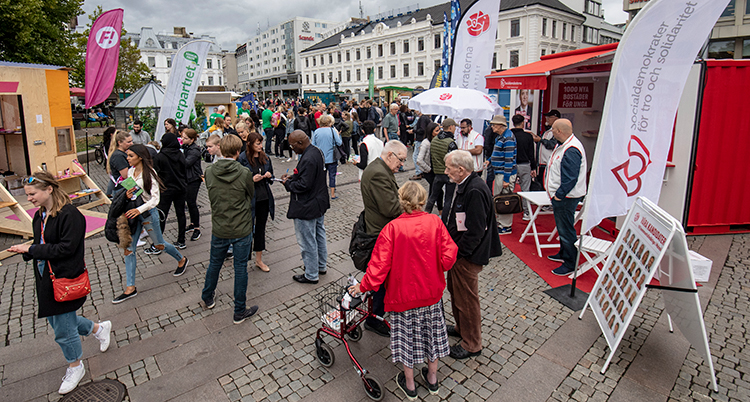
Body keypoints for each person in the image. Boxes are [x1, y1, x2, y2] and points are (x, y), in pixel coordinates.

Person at [349, 181, 458, 399]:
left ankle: (410, 385)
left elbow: (378, 267)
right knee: (432, 337)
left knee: (407, 341)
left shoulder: (392, 229)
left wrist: (361, 287)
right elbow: (448, 257)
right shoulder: (435, 222)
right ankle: (433, 380)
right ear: (423, 201)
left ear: (401, 202)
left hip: (403, 297)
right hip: (431, 294)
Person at [7, 172, 112, 395]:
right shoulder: (40, 214)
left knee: (63, 329)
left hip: (64, 277)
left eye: (32, 194)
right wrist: (28, 251)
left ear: (49, 189)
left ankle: (76, 365)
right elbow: (40, 243)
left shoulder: (70, 215)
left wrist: (32, 250)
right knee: (61, 321)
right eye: (28, 195)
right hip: (47, 275)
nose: (30, 199)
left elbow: (67, 248)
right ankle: (98, 328)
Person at [443, 150, 502, 359]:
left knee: (467, 299)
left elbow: (476, 230)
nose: (446, 172)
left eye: (449, 168)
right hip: (458, 252)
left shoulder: (475, 189)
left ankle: (472, 344)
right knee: (457, 293)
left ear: (461, 169)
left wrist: (460, 254)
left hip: (466, 255)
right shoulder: (466, 184)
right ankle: (462, 329)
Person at [114, 145, 189, 303]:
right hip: (133, 214)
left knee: (159, 244)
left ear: (140, 157)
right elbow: (133, 192)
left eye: (131, 156)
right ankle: (130, 287)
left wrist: (140, 209)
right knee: (129, 249)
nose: (127, 158)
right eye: (127, 155)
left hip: (148, 213)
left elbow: (155, 199)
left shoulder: (150, 173)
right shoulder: (129, 172)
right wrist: (128, 196)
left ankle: (181, 259)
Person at [201, 134, 259, 324]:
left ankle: (207, 296)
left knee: (214, 263)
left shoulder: (209, 172)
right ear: (237, 152)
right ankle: (239, 310)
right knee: (240, 268)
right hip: (241, 226)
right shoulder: (244, 173)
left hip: (220, 225)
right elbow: (250, 195)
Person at [360, 140, 408, 337]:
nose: (402, 165)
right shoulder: (378, 172)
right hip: (380, 232)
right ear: (390, 155)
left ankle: (378, 312)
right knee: (381, 278)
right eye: (401, 160)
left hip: (381, 229)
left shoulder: (380, 168)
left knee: (383, 277)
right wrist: (407, 202)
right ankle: (374, 318)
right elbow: (390, 208)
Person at [282, 130, 330, 284]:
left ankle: (311, 274)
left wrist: (288, 183)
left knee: (307, 240)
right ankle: (320, 266)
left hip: (307, 205)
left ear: (301, 143)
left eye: (292, 145)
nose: (292, 148)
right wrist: (294, 176)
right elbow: (308, 176)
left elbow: (304, 185)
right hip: (318, 202)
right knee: (319, 235)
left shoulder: (308, 158)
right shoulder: (316, 151)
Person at [545, 119, 587, 276]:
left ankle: (571, 262)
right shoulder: (563, 145)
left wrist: (559, 196)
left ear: (559, 132)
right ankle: (563, 253)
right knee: (563, 226)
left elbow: (570, 178)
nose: (551, 131)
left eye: (553, 129)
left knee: (566, 229)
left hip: (566, 197)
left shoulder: (571, 149)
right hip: (562, 195)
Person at [239, 131, 275, 272]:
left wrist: (269, 176)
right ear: (250, 144)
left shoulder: (265, 157)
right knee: (247, 229)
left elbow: (271, 177)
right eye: (258, 143)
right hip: (249, 199)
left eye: (261, 143)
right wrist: (251, 180)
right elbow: (239, 179)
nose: (260, 146)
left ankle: (259, 259)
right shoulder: (243, 158)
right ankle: (243, 258)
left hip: (263, 198)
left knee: (260, 229)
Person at [152, 133, 188, 251]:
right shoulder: (180, 154)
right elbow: (184, 170)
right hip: (180, 188)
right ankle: (181, 240)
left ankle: (158, 242)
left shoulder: (160, 157)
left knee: (162, 215)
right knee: (181, 214)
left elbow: (156, 174)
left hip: (166, 190)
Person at [425, 119, 458, 218]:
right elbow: (455, 161)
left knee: (432, 197)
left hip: (437, 174)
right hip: (449, 174)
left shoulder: (434, 140)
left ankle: (426, 215)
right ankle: (444, 220)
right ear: (451, 127)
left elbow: (431, 157)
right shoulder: (451, 143)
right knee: (448, 200)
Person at [489, 115, 517, 235]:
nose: (492, 127)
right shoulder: (502, 137)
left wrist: (506, 179)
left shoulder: (508, 138)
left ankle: (505, 225)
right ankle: (500, 222)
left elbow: (509, 160)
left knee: (504, 199)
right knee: (499, 198)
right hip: (499, 172)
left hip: (504, 173)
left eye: (494, 124)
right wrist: (490, 160)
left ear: (500, 126)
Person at [510, 114, 537, 220]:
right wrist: (534, 167)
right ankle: (526, 212)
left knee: (509, 188)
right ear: (523, 123)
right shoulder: (528, 136)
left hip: (511, 164)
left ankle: (508, 208)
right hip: (525, 164)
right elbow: (531, 153)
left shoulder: (509, 135)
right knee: (526, 189)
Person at [311, 115, 343, 199]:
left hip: (320, 158)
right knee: (332, 176)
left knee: (321, 177)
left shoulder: (317, 132)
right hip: (331, 157)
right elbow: (339, 143)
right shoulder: (332, 131)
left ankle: (322, 193)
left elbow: (313, 145)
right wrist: (338, 135)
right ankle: (332, 194)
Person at [181, 128, 203, 241]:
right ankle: (193, 223)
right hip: (188, 178)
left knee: (191, 202)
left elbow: (187, 163)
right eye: (182, 137)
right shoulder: (187, 148)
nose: (183, 140)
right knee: (189, 202)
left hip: (194, 178)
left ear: (192, 139)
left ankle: (197, 228)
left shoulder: (194, 150)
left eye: (185, 138)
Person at [416, 122, 440, 207]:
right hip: (428, 170)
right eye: (437, 130)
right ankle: (430, 206)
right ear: (431, 131)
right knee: (437, 188)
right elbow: (419, 160)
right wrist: (428, 169)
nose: (439, 132)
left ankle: (431, 203)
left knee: (433, 188)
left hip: (434, 169)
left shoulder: (436, 141)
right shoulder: (425, 143)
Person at [537, 110, 561, 190]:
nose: (547, 119)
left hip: (548, 164)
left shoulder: (556, 132)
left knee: (545, 186)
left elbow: (552, 145)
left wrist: (540, 140)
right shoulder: (547, 131)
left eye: (550, 117)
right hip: (541, 164)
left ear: (556, 118)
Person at [107, 130, 133, 196]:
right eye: (128, 142)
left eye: (131, 141)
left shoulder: (124, 153)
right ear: (120, 143)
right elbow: (125, 175)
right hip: (123, 189)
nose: (131, 143)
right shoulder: (118, 156)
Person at [410, 111, 429, 180]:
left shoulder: (423, 118)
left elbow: (422, 129)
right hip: (423, 139)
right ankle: (421, 171)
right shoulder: (426, 118)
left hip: (420, 139)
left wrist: (414, 131)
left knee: (416, 156)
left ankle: (419, 172)